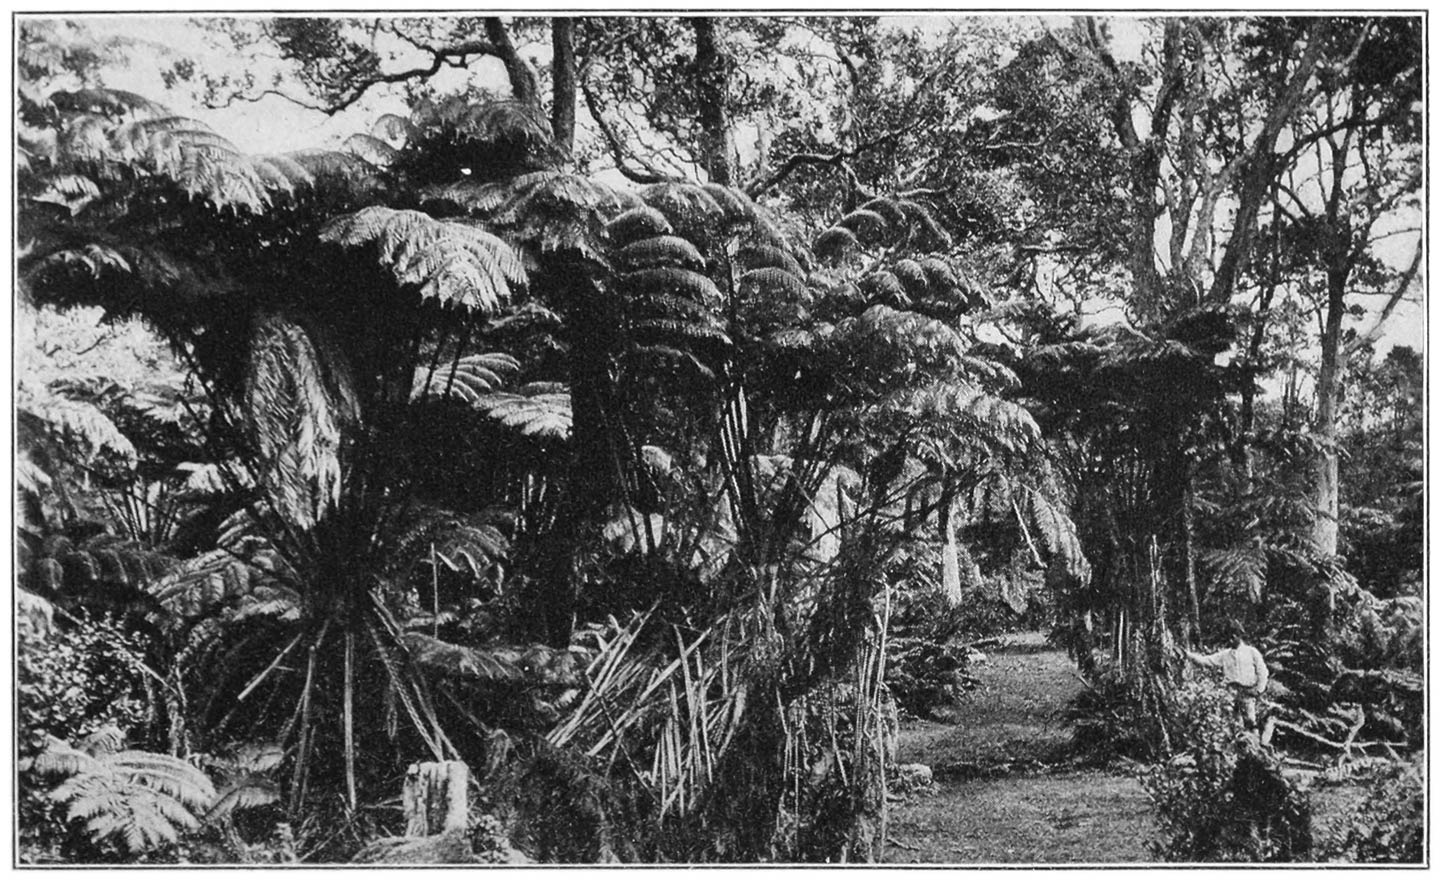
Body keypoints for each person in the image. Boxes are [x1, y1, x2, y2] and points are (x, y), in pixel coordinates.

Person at [1185, 621, 1269, 729]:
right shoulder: (1225, 655)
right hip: (1231, 693)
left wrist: (1258, 690)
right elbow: (1206, 661)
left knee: (1250, 722)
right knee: (1233, 723)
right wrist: (1188, 655)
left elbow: (1263, 672)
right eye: (1229, 638)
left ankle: (1254, 744)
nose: (1230, 641)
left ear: (1239, 636)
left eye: (1233, 637)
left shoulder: (1251, 652)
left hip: (1247, 692)